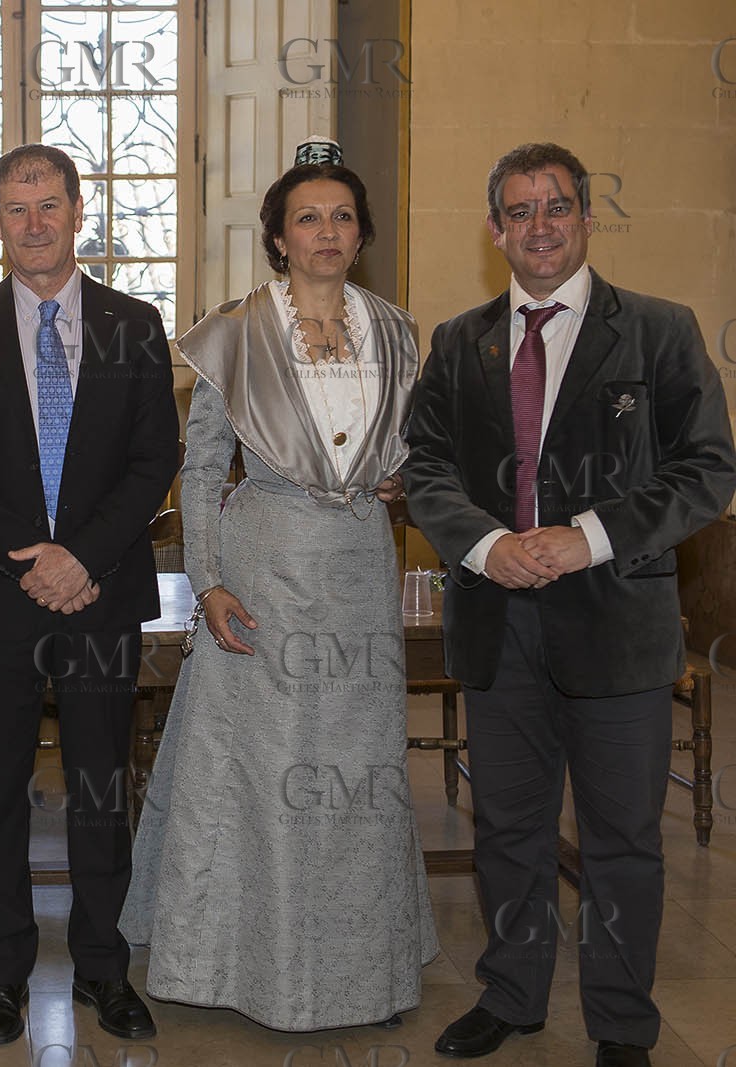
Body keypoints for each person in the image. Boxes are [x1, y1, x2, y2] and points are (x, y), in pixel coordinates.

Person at [403, 142, 736, 1067]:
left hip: (619, 630)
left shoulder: (660, 331)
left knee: (621, 838)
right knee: (508, 829)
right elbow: (426, 465)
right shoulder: (459, 342)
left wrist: (587, 535)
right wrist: (487, 545)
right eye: (520, 210)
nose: (539, 225)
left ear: (587, 218)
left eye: (556, 207)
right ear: (495, 228)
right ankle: (511, 994)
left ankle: (622, 1022)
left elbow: (707, 469)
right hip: (497, 626)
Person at [118, 140, 439, 1032]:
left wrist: (402, 480)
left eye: (342, 217)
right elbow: (201, 466)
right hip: (261, 567)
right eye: (308, 218)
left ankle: (360, 971)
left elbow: (422, 454)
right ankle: (240, 963)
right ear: (279, 237)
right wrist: (208, 582)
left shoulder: (398, 331)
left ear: (361, 234)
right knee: (257, 766)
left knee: (360, 768)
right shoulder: (235, 331)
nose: (326, 232)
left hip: (360, 565)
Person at [0, 144, 177, 1046]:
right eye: (15, 208)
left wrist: (82, 559)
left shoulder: (135, 323)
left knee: (102, 789)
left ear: (78, 209)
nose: (33, 224)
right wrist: (30, 559)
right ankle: (2, 974)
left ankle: (104, 967)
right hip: (0, 594)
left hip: (100, 594)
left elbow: (155, 456)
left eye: (48, 205)